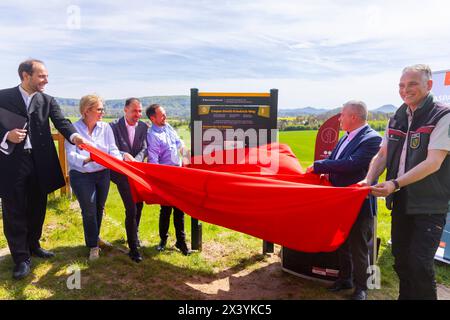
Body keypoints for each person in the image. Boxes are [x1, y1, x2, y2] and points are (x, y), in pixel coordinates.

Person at [362, 64, 450, 300]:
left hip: (429, 205)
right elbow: (382, 155)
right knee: (401, 260)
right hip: (401, 201)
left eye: (412, 84)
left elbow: (433, 162)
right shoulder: (397, 116)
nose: (405, 90)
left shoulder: (443, 115)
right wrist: (368, 179)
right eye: (402, 85)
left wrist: (395, 184)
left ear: (429, 85)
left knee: (420, 265)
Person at [0, 59, 87, 280]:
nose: (46, 80)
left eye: (46, 76)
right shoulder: (2, 97)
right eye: (41, 76)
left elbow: (62, 122)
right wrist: (6, 136)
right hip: (12, 163)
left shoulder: (47, 100)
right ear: (25, 75)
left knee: (38, 206)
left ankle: (33, 245)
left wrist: (76, 137)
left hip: (41, 163)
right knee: (14, 210)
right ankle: (20, 258)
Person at [307, 101, 382, 300]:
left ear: (354, 117)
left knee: (358, 246)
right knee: (342, 243)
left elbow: (353, 164)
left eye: (342, 115)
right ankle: (345, 279)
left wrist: (319, 166)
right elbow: (335, 160)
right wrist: (325, 174)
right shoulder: (345, 138)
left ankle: (361, 288)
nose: (339, 119)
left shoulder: (373, 139)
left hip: (359, 204)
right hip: (340, 202)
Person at [66, 94, 122, 261]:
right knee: (89, 210)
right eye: (99, 109)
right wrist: (87, 159)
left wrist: (119, 162)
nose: (102, 112)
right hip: (81, 175)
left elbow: (112, 149)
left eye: (102, 109)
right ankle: (93, 246)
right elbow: (70, 155)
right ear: (86, 111)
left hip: (102, 174)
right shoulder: (72, 129)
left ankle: (95, 238)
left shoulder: (106, 128)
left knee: (99, 208)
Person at [146, 104, 191, 256]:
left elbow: (180, 144)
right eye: (162, 115)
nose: (165, 117)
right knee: (165, 210)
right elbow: (153, 161)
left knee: (180, 209)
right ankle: (163, 240)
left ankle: (181, 242)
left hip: (178, 174)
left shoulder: (169, 127)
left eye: (165, 114)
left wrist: (187, 161)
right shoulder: (152, 135)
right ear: (153, 118)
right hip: (165, 177)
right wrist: (160, 181)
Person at [110, 98, 148, 263]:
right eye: (134, 111)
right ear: (125, 110)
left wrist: (135, 159)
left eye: (140, 111)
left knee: (139, 204)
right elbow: (111, 147)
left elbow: (145, 148)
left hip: (137, 171)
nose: (138, 115)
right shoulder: (113, 126)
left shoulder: (143, 127)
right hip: (120, 173)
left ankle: (135, 232)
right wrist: (124, 156)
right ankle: (133, 249)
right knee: (131, 208)